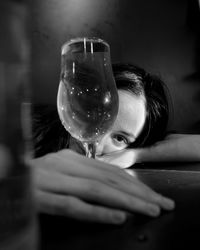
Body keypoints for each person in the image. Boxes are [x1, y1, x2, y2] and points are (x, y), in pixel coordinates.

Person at [29, 62, 175, 224]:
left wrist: (137, 154)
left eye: (120, 138)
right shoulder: (20, 124)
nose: (96, 142)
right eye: (95, 116)